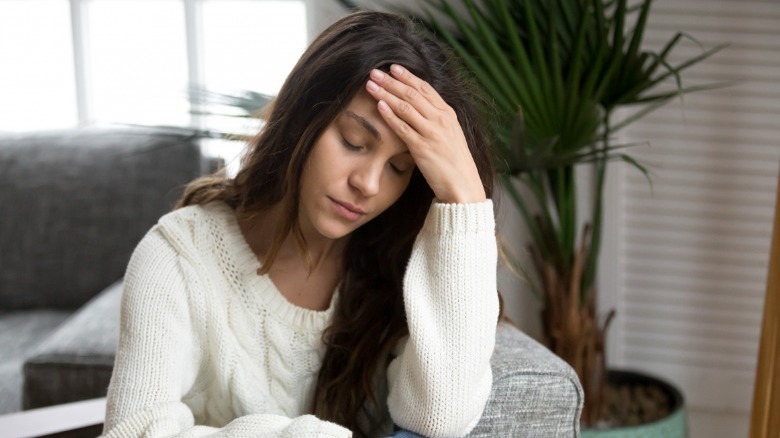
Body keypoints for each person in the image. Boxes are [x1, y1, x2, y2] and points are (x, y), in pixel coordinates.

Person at [102, 10, 499, 438]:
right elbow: (133, 430)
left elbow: (440, 420)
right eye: (354, 142)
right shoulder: (178, 256)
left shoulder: (401, 262)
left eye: (399, 169)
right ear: (302, 117)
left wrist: (466, 200)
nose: (367, 184)